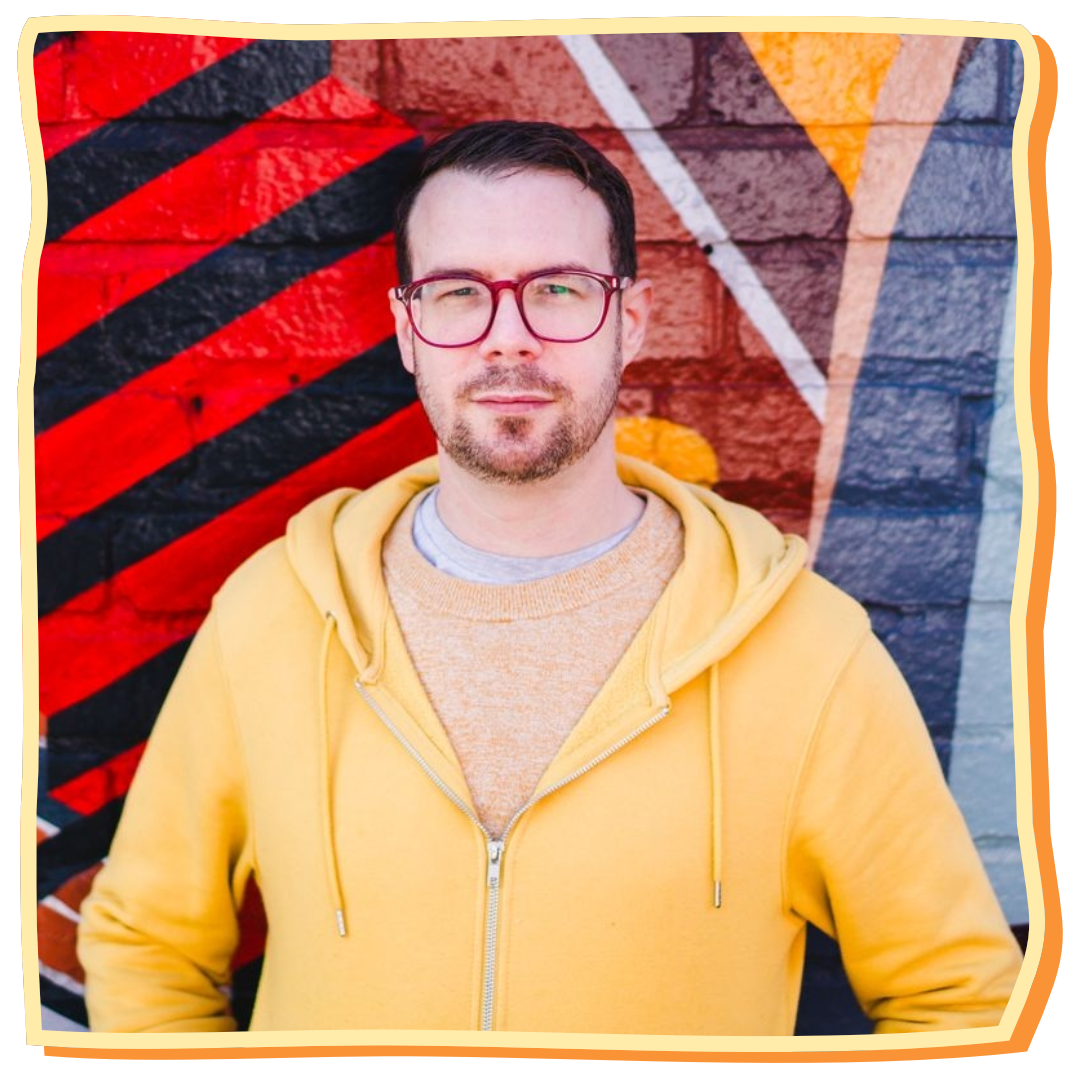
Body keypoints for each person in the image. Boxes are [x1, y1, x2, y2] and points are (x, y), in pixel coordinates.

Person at [77, 119, 1023, 1035]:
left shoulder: (805, 650)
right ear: (407, 330)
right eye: (459, 292)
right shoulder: (273, 617)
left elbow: (959, 999)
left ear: (629, 321)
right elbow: (145, 947)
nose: (509, 338)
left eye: (559, 289)